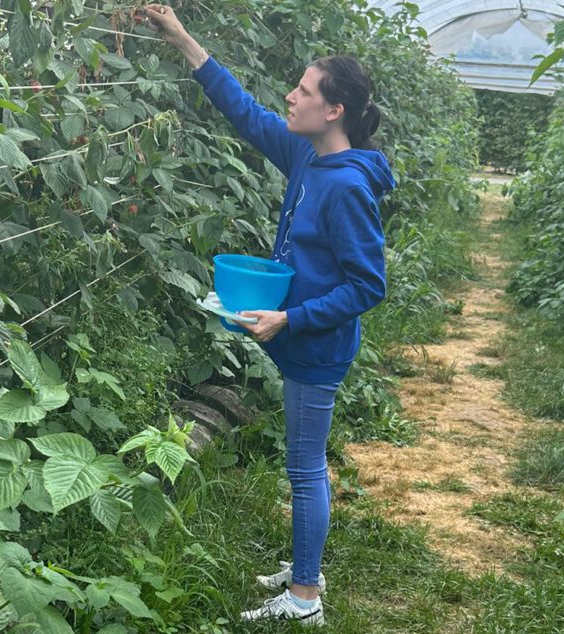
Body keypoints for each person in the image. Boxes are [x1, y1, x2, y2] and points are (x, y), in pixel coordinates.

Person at [142, 4, 396, 627]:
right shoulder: (310, 156)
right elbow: (245, 113)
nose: (290, 95)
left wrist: (292, 319)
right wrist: (183, 40)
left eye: (304, 90)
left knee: (305, 470)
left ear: (333, 110)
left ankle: (304, 595)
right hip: (303, 337)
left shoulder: (345, 187)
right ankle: (304, 563)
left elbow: (369, 285)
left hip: (317, 348)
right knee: (303, 463)